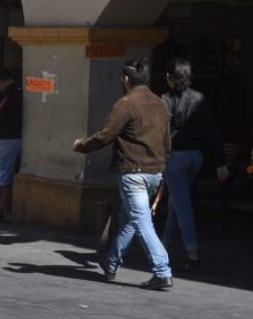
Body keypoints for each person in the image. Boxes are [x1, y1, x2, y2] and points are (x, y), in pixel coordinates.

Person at [73, 58, 173, 290]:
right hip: (154, 173)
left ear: (126, 79)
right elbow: (167, 143)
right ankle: (111, 263)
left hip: (133, 172)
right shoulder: (160, 103)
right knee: (130, 220)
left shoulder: (125, 103)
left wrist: (81, 145)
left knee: (141, 221)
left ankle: (162, 269)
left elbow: (104, 136)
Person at [160, 58, 229, 273]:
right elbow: (212, 131)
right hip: (196, 159)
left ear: (169, 78)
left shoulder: (165, 100)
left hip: (176, 159)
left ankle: (193, 256)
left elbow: (162, 133)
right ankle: (162, 248)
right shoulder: (200, 99)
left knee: (183, 206)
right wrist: (220, 162)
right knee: (176, 202)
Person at [0, 70, 23, 221]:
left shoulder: (7, 94)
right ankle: (1, 207)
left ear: (0, 82)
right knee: (15, 173)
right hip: (23, 137)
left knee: (3, 175)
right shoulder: (23, 90)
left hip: (8, 138)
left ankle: (4, 210)